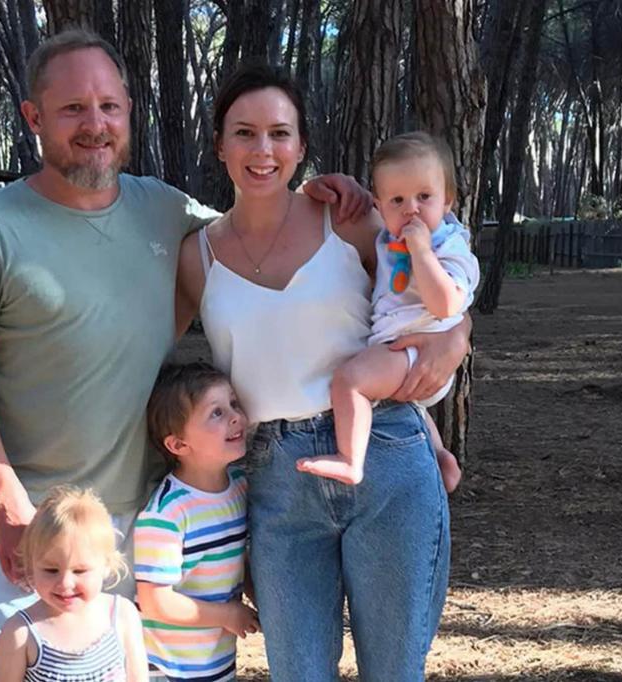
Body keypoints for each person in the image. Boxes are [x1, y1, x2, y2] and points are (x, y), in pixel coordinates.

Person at [0, 28, 369, 682]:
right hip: (42, 530)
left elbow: (255, 224)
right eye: (73, 107)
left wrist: (321, 195)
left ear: (128, 112)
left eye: (109, 106)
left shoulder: (164, 210)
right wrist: (8, 504)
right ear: (33, 117)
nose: (95, 124)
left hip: (159, 525)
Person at [174, 63, 471, 681]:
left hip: (386, 451)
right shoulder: (196, 255)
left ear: (301, 146)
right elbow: (144, 351)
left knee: (393, 671)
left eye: (280, 134)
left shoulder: (350, 220)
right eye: (245, 133)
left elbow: (428, 299)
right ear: (220, 146)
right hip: (278, 475)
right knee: (298, 671)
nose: (263, 150)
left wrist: (459, 337)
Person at [296, 132, 480, 489]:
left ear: (448, 201)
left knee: (350, 381)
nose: (411, 208)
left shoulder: (450, 247)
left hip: (416, 350)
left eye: (424, 197)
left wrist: (422, 252)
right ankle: (441, 456)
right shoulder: (386, 238)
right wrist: (314, 188)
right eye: (397, 200)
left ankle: (351, 460)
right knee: (410, 407)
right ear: (380, 206)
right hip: (401, 351)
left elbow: (446, 304)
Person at [134, 363, 259, 682]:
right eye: (215, 413)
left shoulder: (239, 486)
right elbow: (155, 602)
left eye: (233, 403)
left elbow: (235, 560)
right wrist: (228, 614)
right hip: (164, 669)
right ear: (178, 445)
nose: (235, 416)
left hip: (215, 663)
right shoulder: (167, 513)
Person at [0, 487, 148, 682]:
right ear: (31, 566)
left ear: (107, 565)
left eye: (80, 571)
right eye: (51, 570)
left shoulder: (122, 615)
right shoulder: (21, 632)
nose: (65, 583)